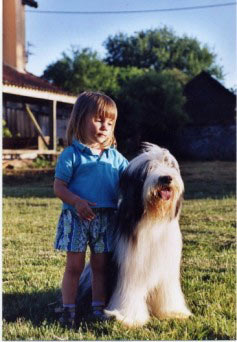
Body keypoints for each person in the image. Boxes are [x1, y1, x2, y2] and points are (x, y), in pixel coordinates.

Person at [54, 91, 128, 327]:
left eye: (110, 122)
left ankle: (98, 308)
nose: (104, 126)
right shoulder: (71, 155)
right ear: (80, 119)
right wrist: (76, 201)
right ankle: (68, 309)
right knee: (74, 266)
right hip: (76, 218)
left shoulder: (116, 158)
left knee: (101, 266)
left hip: (106, 218)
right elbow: (59, 186)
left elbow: (132, 178)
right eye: (98, 119)